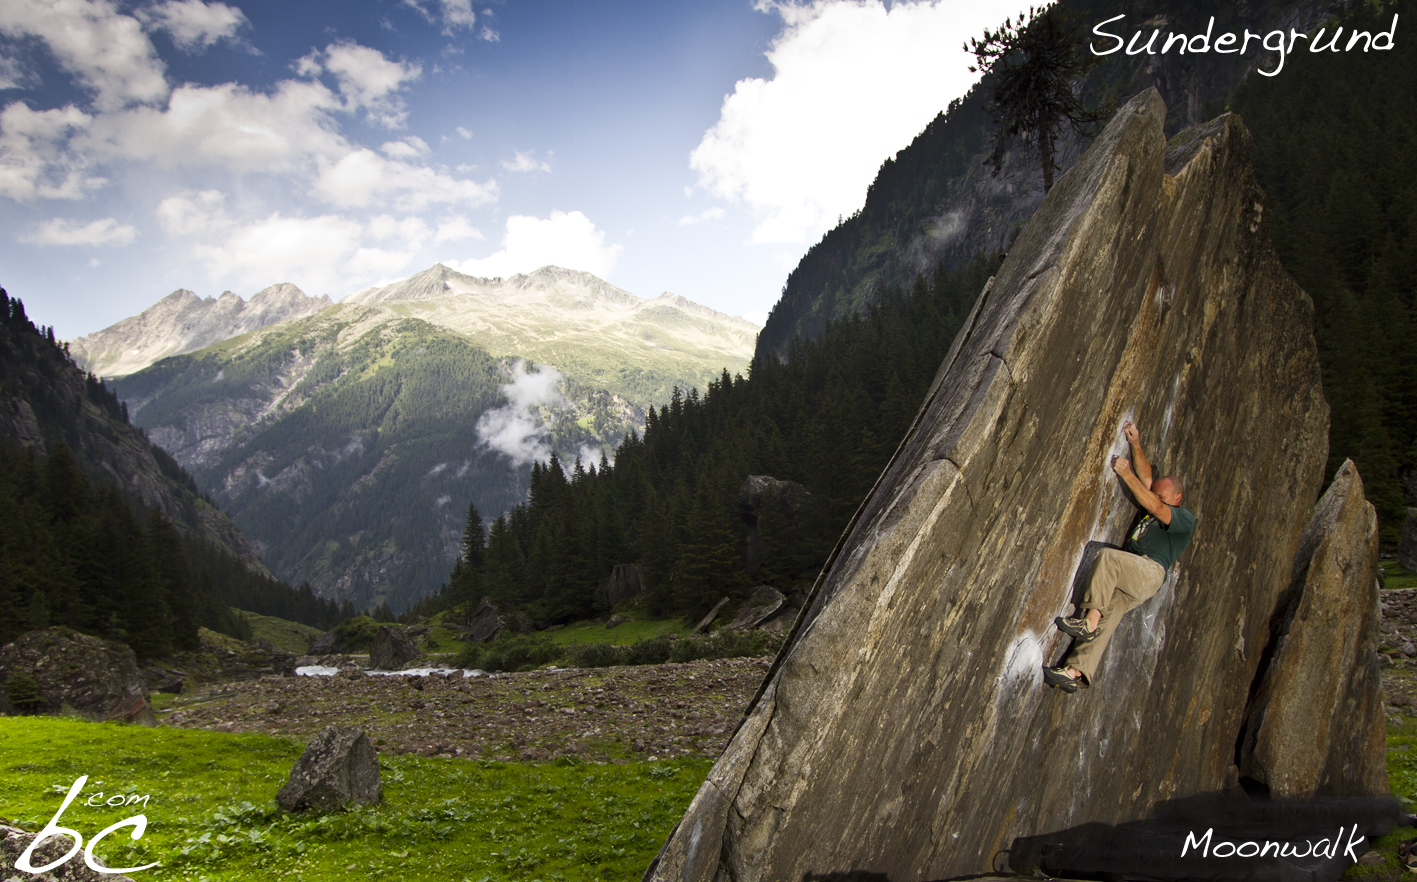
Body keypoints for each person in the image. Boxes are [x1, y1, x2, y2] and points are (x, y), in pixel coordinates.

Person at [1043, 420, 1196, 693]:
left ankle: (1087, 622)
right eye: (1157, 494)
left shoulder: (1183, 518)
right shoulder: (1157, 499)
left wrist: (1127, 476)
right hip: (1133, 579)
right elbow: (1147, 478)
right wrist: (1136, 444)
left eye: (1163, 496)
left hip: (1149, 571)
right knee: (1108, 617)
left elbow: (1153, 502)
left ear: (1177, 497)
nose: (1156, 498)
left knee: (1108, 558)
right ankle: (1073, 671)